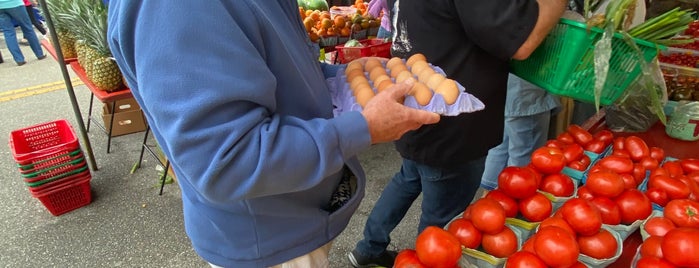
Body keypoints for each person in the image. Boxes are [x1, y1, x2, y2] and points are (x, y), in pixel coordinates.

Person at [106, 1, 440, 267]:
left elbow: (279, 68)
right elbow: (227, 160)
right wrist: (364, 128)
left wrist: (344, 79)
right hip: (269, 243)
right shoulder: (180, 8)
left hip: (291, 220)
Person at [348, 0, 569, 267]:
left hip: (416, 111)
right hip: (452, 129)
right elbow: (521, 42)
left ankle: (368, 250)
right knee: (441, 223)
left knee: (408, 180)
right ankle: (425, 262)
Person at [480, 74, 560, 191]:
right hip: (526, 94)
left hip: (502, 88)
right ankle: (514, 196)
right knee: (524, 156)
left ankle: (490, 198)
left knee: (499, 147)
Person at [0, 0, 45, 66]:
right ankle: (39, 54)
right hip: (15, 4)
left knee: (8, 32)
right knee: (27, 28)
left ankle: (19, 59)